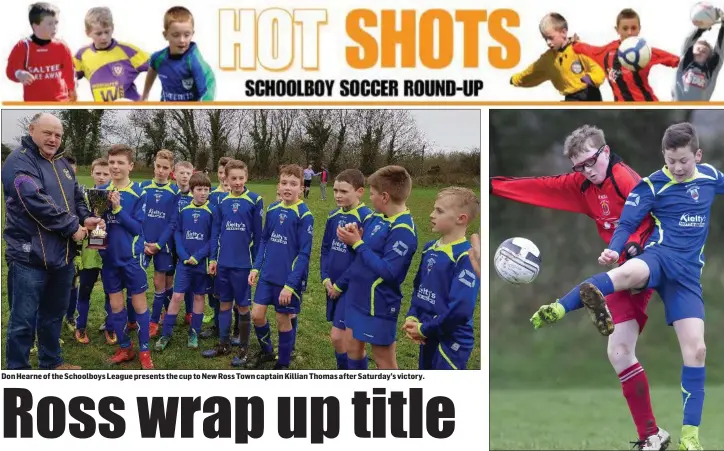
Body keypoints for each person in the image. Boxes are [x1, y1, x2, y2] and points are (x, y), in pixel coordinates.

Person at [531, 123, 723, 451]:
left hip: (688, 277)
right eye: (671, 160)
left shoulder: (710, 178)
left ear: (698, 156)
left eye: (684, 161)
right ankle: (560, 306)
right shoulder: (651, 186)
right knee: (626, 275)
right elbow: (628, 224)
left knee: (697, 351)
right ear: (663, 156)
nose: (677, 167)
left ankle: (690, 438)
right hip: (658, 257)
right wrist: (615, 249)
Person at [492, 125, 665, 449]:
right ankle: (651, 437)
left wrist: (632, 247)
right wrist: (490, 186)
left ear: (606, 152)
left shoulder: (627, 180)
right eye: (579, 166)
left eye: (591, 161)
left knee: (631, 276)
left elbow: (657, 219)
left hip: (652, 258)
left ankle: (568, 303)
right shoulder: (582, 185)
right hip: (625, 266)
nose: (587, 170)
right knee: (619, 353)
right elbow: (539, 187)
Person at [2, 112, 102, 370]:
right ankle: (18, 371)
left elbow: (77, 197)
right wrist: (73, 228)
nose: (53, 139)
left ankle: (51, 362)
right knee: (23, 321)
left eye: (58, 135)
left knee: (53, 315)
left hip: (63, 256)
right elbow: (34, 200)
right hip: (29, 256)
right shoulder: (18, 162)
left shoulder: (63, 164)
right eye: (47, 133)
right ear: (32, 129)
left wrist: (87, 219)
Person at [335, 165, 419, 370]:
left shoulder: (403, 230)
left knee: (384, 361)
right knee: (353, 348)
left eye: (371, 194)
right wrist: (355, 237)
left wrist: (358, 244)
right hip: (357, 297)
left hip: (378, 304)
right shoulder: (376, 218)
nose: (369, 198)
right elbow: (363, 254)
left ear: (385, 197)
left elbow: (390, 272)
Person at [403, 187, 480, 370]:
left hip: (451, 340)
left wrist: (425, 328)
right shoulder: (430, 248)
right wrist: (413, 315)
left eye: (439, 211)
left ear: (461, 219)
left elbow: (460, 310)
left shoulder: (466, 256)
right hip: (428, 332)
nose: (431, 215)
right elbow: (418, 287)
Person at [249, 164, 314, 369]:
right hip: (268, 275)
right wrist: (256, 267)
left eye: (293, 184)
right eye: (284, 183)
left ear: (301, 188)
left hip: (287, 280)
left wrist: (290, 285)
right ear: (278, 185)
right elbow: (265, 241)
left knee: (281, 318)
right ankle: (267, 351)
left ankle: (283, 364)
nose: (288, 187)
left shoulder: (305, 215)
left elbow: (304, 254)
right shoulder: (273, 209)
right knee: (257, 315)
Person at [99, 144, 153, 369]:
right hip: (110, 260)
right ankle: (124, 347)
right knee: (116, 306)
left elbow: (137, 229)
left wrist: (118, 209)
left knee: (139, 305)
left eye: (120, 162)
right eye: (111, 162)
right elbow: (97, 228)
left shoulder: (139, 193)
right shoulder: (100, 192)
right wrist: (98, 238)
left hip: (132, 259)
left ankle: (144, 351)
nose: (115, 166)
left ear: (130, 165)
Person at [205, 160, 263, 366]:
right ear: (226, 179)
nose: (237, 182)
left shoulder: (255, 200)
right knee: (224, 303)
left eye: (241, 178)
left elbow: (259, 237)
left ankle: (244, 349)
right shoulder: (221, 202)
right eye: (233, 178)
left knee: (243, 306)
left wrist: (256, 266)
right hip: (223, 263)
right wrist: (213, 258)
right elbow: (215, 232)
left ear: (246, 177)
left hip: (243, 265)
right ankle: (223, 344)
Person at [320, 169, 373, 369]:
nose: (338, 195)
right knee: (339, 339)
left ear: (359, 192)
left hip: (351, 287)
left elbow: (363, 258)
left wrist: (340, 285)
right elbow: (325, 248)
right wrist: (325, 277)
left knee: (345, 339)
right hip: (331, 284)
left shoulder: (367, 218)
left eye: (344, 191)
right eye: (335, 190)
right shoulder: (333, 215)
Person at [155, 172, 214, 351]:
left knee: (198, 296)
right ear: (192, 190)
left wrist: (199, 256)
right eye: (199, 189)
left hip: (201, 263)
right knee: (177, 296)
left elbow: (214, 238)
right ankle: (166, 334)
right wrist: (181, 253)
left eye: (206, 189)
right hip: (184, 262)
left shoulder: (213, 211)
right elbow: (178, 232)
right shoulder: (184, 209)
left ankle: (194, 332)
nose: (203, 193)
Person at [571, 8, 680, 101]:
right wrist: (574, 43)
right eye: (625, 28)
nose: (629, 33)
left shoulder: (646, 52)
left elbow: (678, 61)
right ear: (617, 29)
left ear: (639, 29)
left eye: (633, 28)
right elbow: (587, 49)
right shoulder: (607, 52)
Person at [510, 13, 605, 101]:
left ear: (563, 33)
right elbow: (531, 72)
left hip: (590, 94)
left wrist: (591, 78)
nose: (548, 42)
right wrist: (515, 80)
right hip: (571, 98)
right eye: (545, 39)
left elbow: (598, 68)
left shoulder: (579, 49)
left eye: (550, 38)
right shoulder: (548, 59)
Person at [74, 158, 116, 345]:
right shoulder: (82, 196)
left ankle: (110, 326)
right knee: (85, 290)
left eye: (105, 174)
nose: (101, 177)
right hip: (90, 251)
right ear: (91, 173)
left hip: (110, 250)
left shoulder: (116, 196)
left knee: (110, 291)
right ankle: (80, 326)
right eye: (98, 173)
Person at [140, 150, 179, 337]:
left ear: (171, 170)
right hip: (143, 244)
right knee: (136, 283)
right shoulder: (143, 187)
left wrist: (159, 244)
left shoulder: (175, 191)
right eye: (158, 166)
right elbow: (137, 216)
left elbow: (173, 222)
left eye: (165, 168)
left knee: (160, 283)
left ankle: (155, 321)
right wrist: (143, 241)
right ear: (154, 165)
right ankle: (134, 319)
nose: (161, 171)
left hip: (164, 246)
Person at [74, 7, 149, 102]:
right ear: (88, 33)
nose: (104, 37)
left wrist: (146, 94)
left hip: (131, 107)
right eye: (98, 34)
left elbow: (159, 64)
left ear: (112, 28)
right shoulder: (82, 55)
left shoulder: (128, 51)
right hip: (103, 110)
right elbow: (65, 76)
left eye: (107, 32)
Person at [5, 2, 76, 101]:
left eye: (56, 23)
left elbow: (69, 72)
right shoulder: (23, 46)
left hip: (60, 101)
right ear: (35, 26)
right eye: (50, 24)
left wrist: (72, 90)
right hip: (34, 102)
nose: (54, 27)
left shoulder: (62, 46)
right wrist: (19, 74)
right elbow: (10, 71)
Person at [142, 6, 215, 101]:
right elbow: (153, 67)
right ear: (165, 35)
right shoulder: (158, 58)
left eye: (187, 35)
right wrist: (145, 95)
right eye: (176, 35)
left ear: (192, 34)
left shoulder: (194, 62)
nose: (182, 40)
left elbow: (207, 89)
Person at [672, 9, 724, 101]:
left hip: (698, 108)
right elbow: (689, 42)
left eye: (704, 51)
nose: (700, 51)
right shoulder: (685, 64)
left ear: (708, 57)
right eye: (698, 49)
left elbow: (720, 51)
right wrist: (703, 26)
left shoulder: (710, 71)